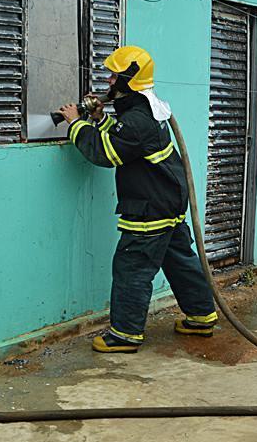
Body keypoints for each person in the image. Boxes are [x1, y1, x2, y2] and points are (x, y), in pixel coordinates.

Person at [58, 46, 218, 353]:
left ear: (128, 81)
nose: (108, 80)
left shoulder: (137, 119)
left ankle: (125, 334)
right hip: (168, 201)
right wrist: (100, 119)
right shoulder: (146, 110)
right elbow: (126, 142)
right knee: (179, 259)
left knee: (132, 265)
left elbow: (106, 153)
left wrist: (76, 123)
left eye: (114, 75)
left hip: (149, 207)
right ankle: (201, 315)